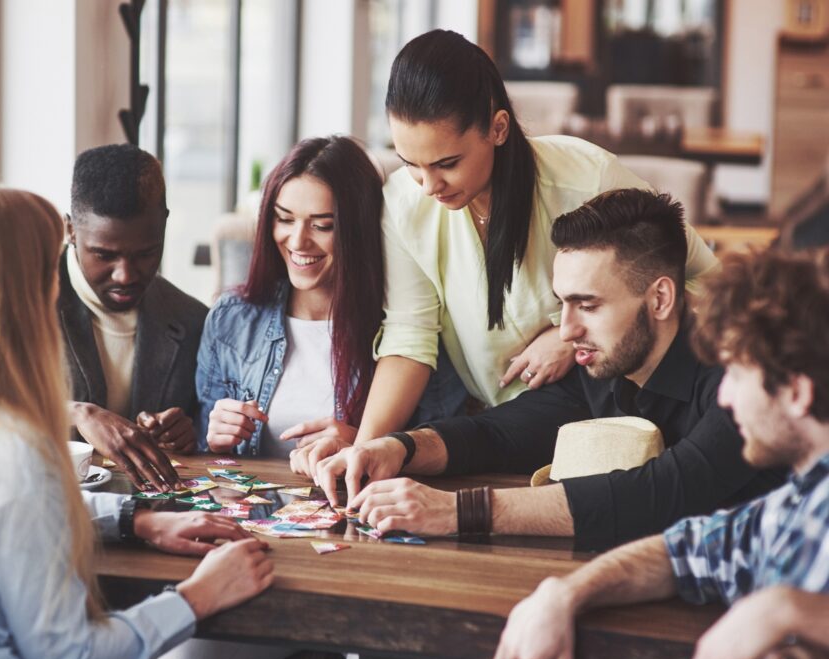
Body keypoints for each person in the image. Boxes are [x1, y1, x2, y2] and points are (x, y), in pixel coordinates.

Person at [0, 186, 273, 659]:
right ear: (23, 294)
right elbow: (73, 656)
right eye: (50, 269)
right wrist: (197, 597)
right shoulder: (15, 454)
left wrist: (135, 520)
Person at [293, 30, 720, 474]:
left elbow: (704, 281)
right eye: (410, 164)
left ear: (498, 128)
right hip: (497, 431)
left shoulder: (588, 179)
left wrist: (566, 335)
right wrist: (366, 451)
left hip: (608, 430)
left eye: (446, 164)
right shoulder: (403, 204)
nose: (428, 186)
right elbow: (409, 339)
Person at [316, 189, 782, 551]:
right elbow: (498, 433)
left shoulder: (742, 380)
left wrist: (458, 512)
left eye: (588, 305)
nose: (566, 330)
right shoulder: (604, 371)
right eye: (563, 304)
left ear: (660, 298)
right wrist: (398, 448)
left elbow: (667, 494)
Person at [494, 248, 829, 659]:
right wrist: (563, 592)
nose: (724, 394)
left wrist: (784, 610)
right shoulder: (796, 505)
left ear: (796, 393)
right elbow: (682, 551)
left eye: (738, 375)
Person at [196, 136, 466, 472]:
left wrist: (366, 444)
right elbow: (205, 460)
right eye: (284, 219)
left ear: (360, 231)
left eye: (322, 225)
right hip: (258, 518)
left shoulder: (411, 330)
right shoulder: (232, 318)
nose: (297, 241)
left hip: (360, 514)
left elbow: (450, 448)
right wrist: (214, 437)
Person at [62, 144, 207, 490]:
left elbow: (204, 438)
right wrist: (77, 412)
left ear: (164, 225)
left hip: (155, 525)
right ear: (69, 230)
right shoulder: (22, 305)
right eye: (104, 255)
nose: (125, 275)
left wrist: (187, 433)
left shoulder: (192, 320)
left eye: (146, 253)